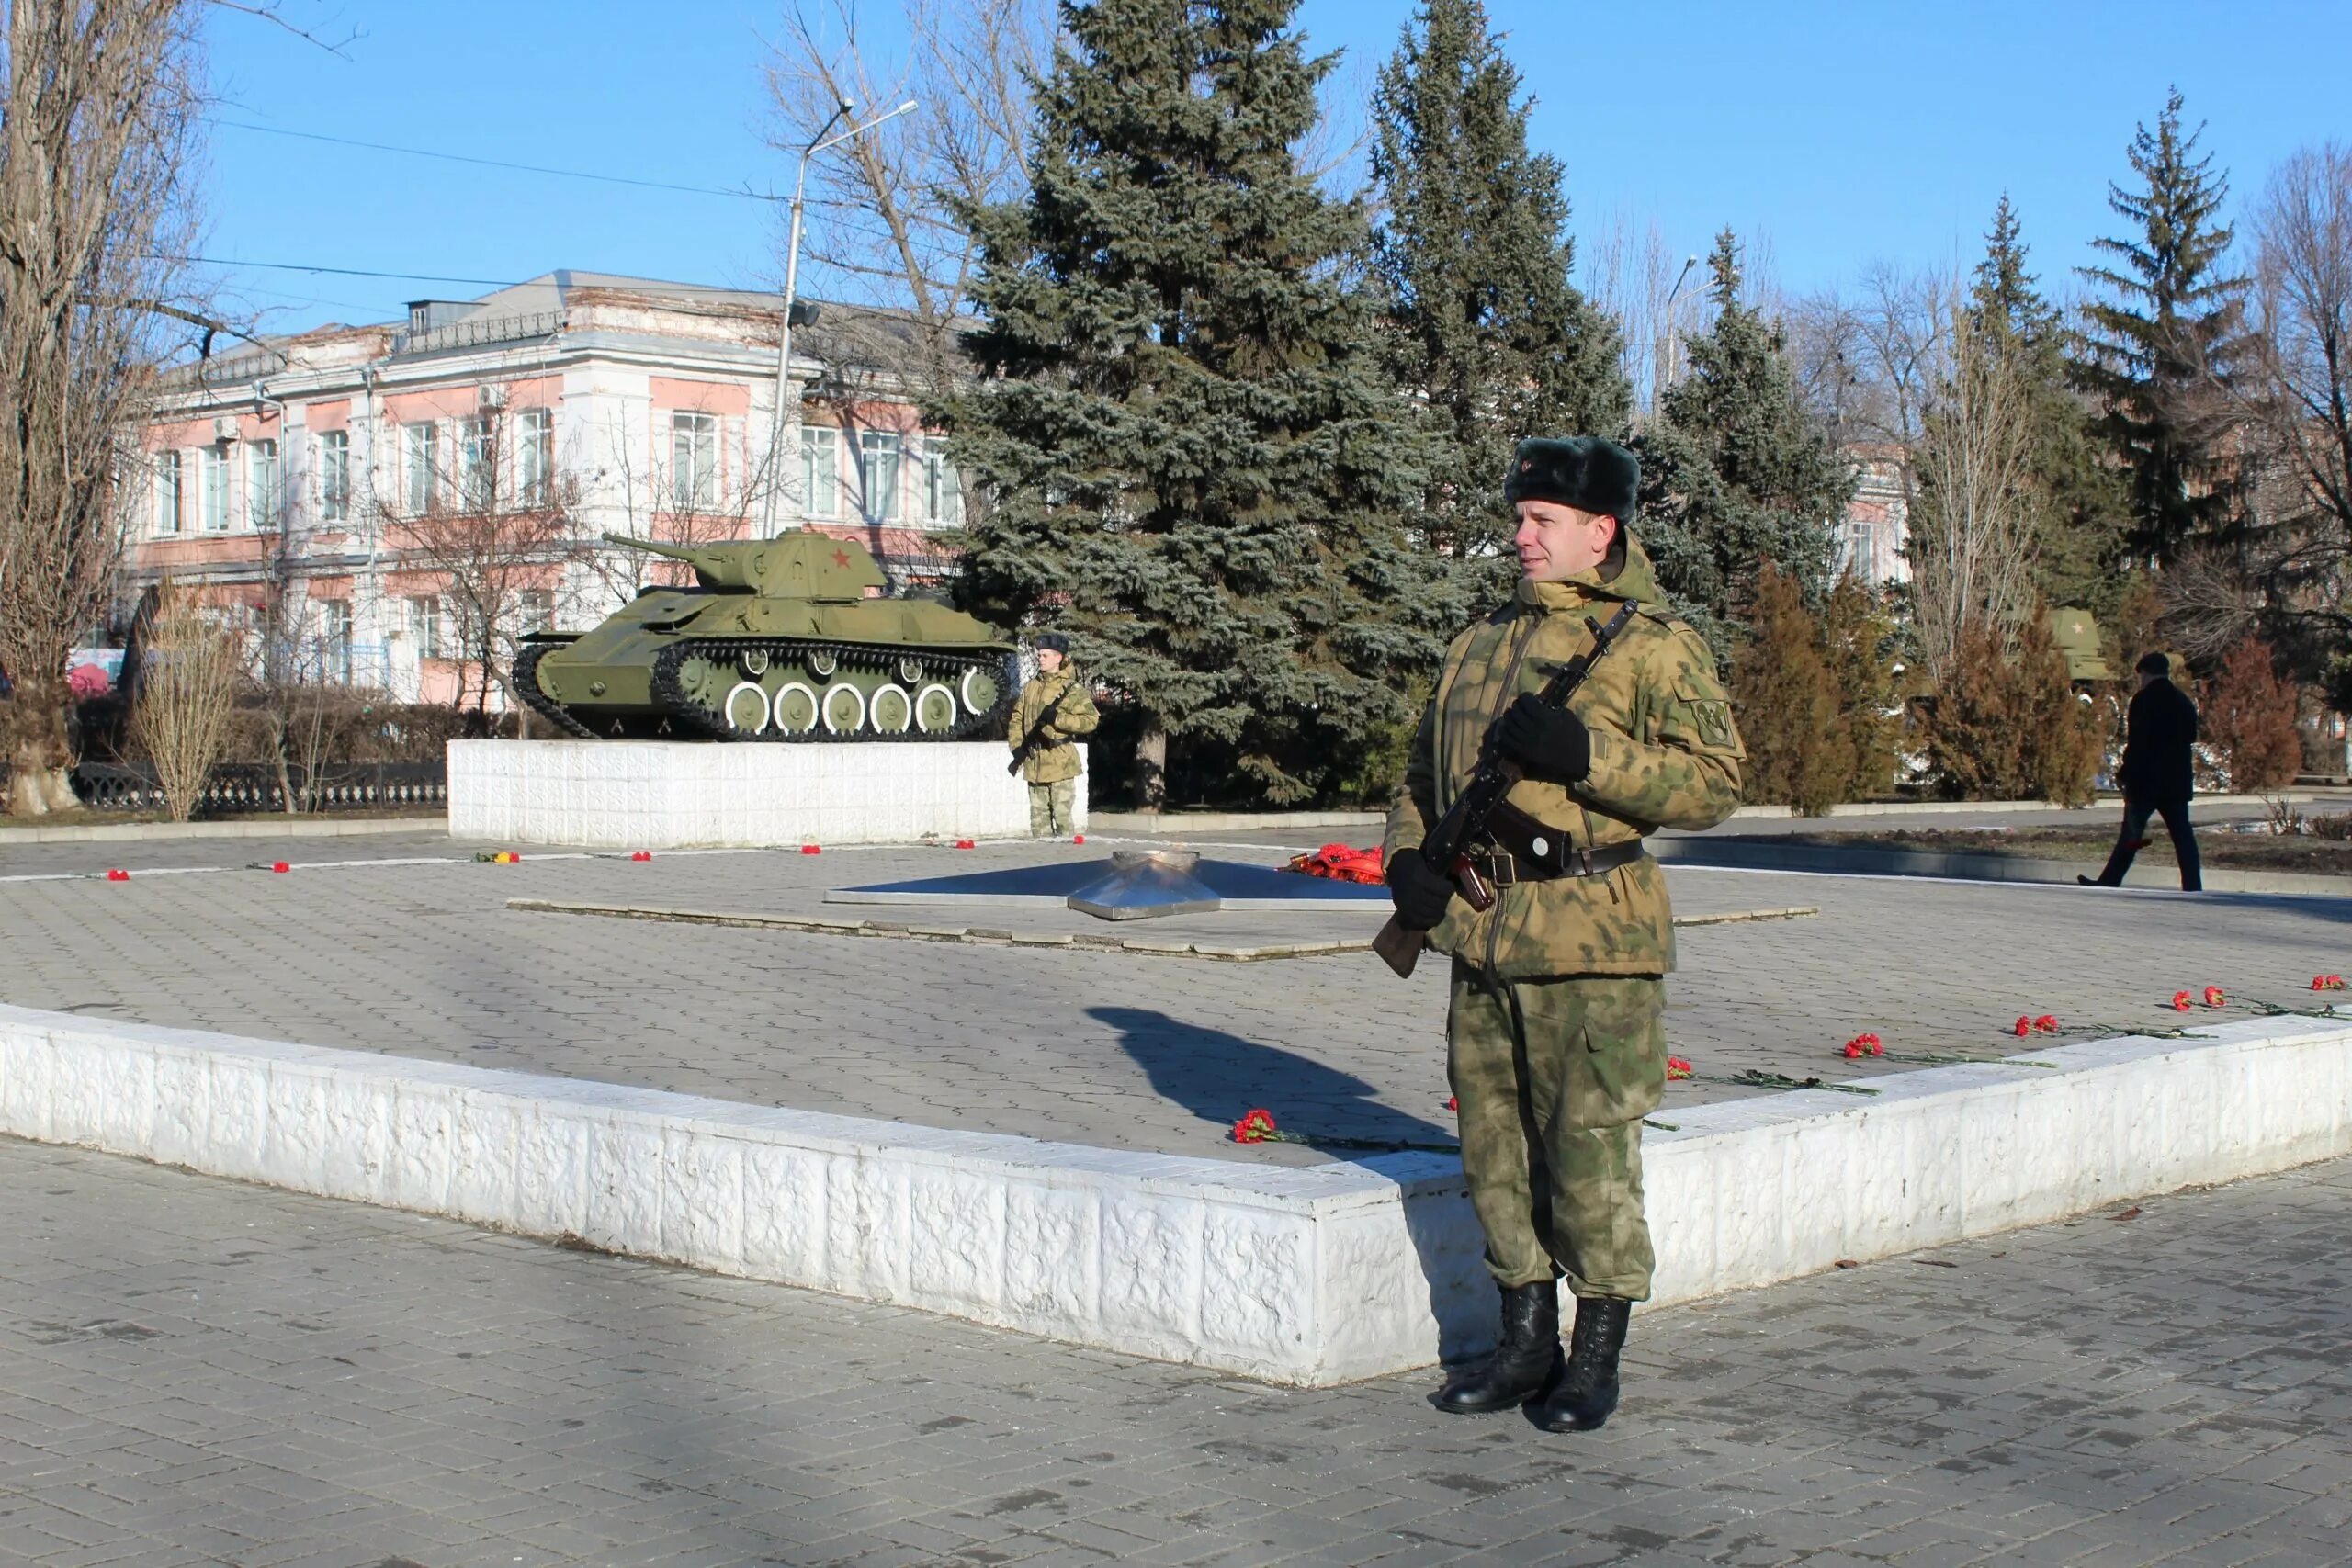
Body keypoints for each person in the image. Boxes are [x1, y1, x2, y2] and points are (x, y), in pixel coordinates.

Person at [1384, 435, 1744, 1433]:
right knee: (1492, 1149)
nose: (1521, 535)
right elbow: (1421, 773)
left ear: (1601, 530)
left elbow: (1715, 782)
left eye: (1541, 520)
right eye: (1520, 517)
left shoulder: (1654, 644)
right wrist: (1407, 862)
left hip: (1592, 938)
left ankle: (1593, 1357)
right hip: (1483, 931)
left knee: (1586, 1154)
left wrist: (1590, 758)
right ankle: (1522, 1343)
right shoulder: (1480, 638)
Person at [2082, 651, 2201, 892]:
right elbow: (2191, 736)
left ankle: (2110, 880)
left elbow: (2137, 743)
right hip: (2175, 782)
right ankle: (2192, 884)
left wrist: (2125, 773)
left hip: (2146, 782)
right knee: (2183, 837)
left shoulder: (2143, 700)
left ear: (2144, 674)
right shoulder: (2182, 701)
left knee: (2131, 835)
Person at [1008, 633, 1098, 838]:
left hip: (1060, 764)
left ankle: (1068, 866)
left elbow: (1091, 720)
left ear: (1058, 658)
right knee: (1038, 826)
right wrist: (1016, 747)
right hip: (1035, 764)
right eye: (1039, 655)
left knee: (1063, 821)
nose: (1040, 658)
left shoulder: (1071, 689)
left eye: (1045, 655)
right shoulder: (1031, 687)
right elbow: (1016, 718)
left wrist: (1059, 719)